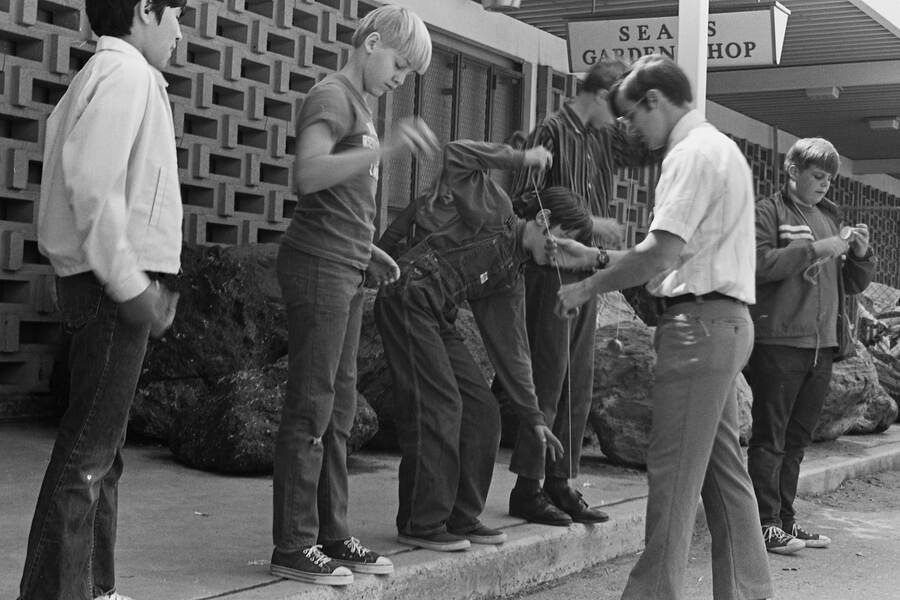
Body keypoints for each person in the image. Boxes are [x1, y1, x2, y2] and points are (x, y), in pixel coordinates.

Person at [557, 55, 773, 600]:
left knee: (673, 477)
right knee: (724, 478)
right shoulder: (720, 148)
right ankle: (750, 591)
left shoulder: (689, 153)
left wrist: (586, 285)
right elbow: (677, 253)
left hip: (697, 328)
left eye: (632, 115)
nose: (630, 129)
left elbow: (661, 254)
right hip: (724, 323)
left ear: (654, 100)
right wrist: (599, 256)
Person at [19, 2, 185, 599]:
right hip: (110, 284)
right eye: (176, 15)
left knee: (102, 451)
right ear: (145, 10)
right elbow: (94, 186)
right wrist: (131, 285)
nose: (180, 32)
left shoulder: (107, 73)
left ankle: (94, 587)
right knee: (88, 452)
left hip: (103, 281)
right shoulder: (126, 74)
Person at [271, 5, 439, 587]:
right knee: (312, 405)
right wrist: (383, 151)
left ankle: (331, 533)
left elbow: (338, 204)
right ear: (371, 44)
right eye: (400, 64)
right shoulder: (332, 96)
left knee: (339, 408)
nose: (401, 79)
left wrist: (368, 250)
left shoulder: (360, 105)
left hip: (345, 265)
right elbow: (309, 174)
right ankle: (294, 544)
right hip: (317, 266)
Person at [375, 139, 612, 552]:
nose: (559, 253)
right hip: (405, 299)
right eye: (560, 240)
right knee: (442, 406)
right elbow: (457, 154)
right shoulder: (496, 209)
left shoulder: (511, 278)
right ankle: (420, 521)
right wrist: (519, 158)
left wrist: (534, 417)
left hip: (437, 317)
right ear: (542, 219)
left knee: (483, 411)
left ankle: (462, 515)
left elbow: (513, 353)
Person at [505, 60, 658, 526]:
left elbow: (647, 147)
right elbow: (526, 199)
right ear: (602, 94)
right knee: (549, 377)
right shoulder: (550, 131)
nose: (622, 119)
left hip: (588, 269)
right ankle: (527, 487)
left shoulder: (603, 136)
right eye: (619, 107)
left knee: (578, 381)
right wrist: (589, 223)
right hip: (551, 268)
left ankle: (560, 480)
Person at [746, 137, 876, 554]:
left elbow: (851, 284)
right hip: (778, 341)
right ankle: (763, 524)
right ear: (792, 171)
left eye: (829, 180)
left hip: (822, 345)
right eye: (817, 176)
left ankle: (785, 520)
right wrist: (816, 248)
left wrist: (860, 255)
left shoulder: (828, 216)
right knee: (771, 437)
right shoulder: (768, 212)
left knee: (798, 439)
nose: (824, 185)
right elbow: (757, 265)